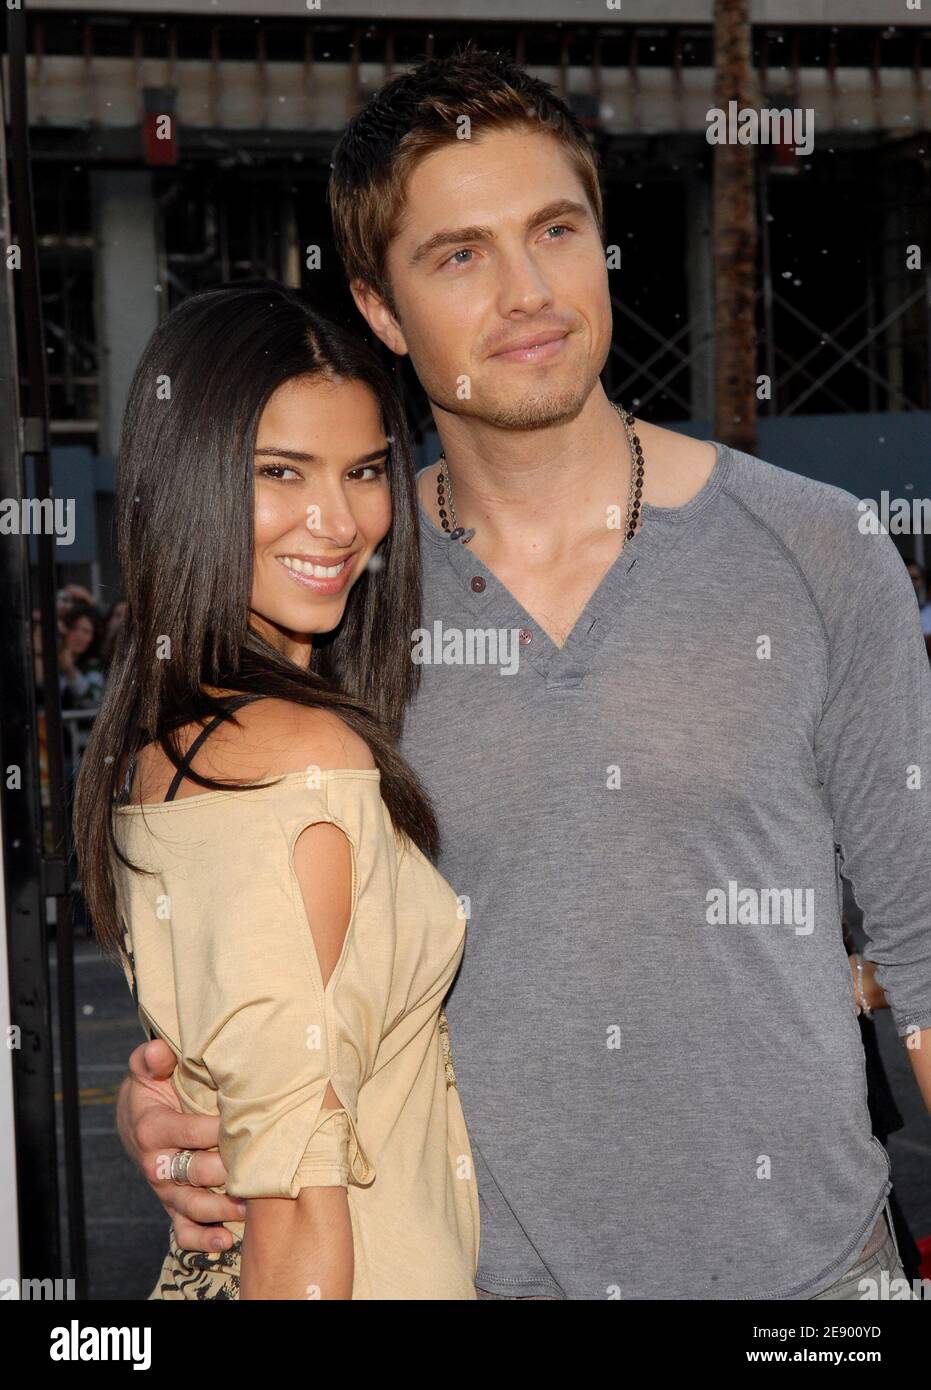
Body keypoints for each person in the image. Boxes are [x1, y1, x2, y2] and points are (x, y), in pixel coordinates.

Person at [118, 49, 931, 1301]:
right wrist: (172, 1098)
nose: (527, 290)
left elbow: (923, 964)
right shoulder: (340, 588)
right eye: (458, 255)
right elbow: (260, 941)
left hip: (816, 1286)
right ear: (382, 314)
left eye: (554, 230)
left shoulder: (817, 547)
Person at [74, 283, 479, 1299]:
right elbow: (300, 1205)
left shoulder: (160, 748)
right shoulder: (306, 756)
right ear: (190, 481)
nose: (337, 520)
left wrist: (146, 1108)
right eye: (279, 472)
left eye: (364, 471)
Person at [58, 601, 106, 709]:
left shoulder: (93, 665)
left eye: (86, 631)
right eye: (74, 628)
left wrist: (70, 671)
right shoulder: (50, 661)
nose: (79, 636)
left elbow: (94, 701)